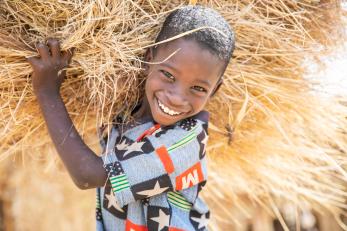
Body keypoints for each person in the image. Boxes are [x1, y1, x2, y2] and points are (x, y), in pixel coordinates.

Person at [27, 5, 235, 231]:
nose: (177, 98)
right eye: (168, 74)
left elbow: (86, 175)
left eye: (197, 88)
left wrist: (47, 92)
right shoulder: (125, 112)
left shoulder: (185, 144)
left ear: (214, 91)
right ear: (149, 59)